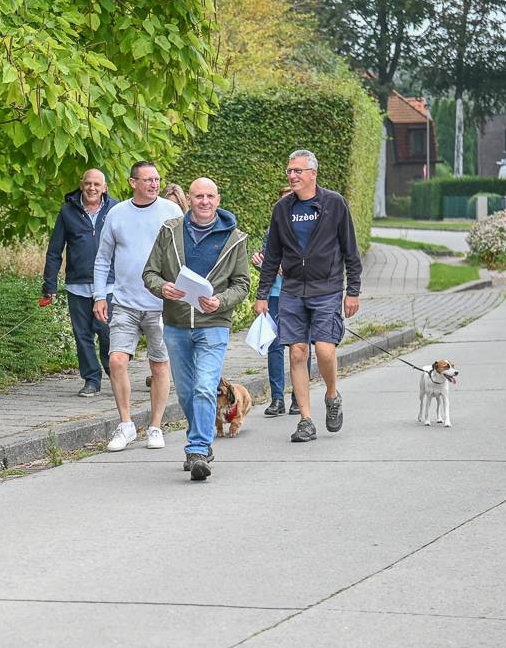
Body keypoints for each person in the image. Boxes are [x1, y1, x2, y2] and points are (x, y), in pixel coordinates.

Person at [141, 177, 250, 481]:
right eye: (198, 196)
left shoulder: (235, 238)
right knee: (188, 392)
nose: (204, 201)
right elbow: (149, 273)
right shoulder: (170, 231)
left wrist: (221, 301)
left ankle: (198, 449)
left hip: (214, 324)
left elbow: (242, 283)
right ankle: (200, 435)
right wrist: (163, 287)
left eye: (210, 196)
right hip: (176, 324)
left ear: (218, 199)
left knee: (205, 387)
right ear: (190, 199)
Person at [254, 149, 362, 443]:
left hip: (326, 289)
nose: (292, 176)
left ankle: (332, 395)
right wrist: (262, 294)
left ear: (313, 173)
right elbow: (272, 254)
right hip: (291, 291)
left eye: (297, 171)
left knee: (326, 350)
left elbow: (351, 251)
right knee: (297, 351)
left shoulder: (334, 204)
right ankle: (306, 419)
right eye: (289, 171)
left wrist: (352, 291)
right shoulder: (282, 209)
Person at [92, 161, 183, 451]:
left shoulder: (171, 212)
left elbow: (185, 252)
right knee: (117, 360)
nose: (154, 184)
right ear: (133, 183)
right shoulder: (117, 214)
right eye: (147, 180)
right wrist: (98, 295)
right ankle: (126, 424)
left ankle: (155, 426)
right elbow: (103, 258)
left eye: (157, 179)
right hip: (125, 303)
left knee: (159, 365)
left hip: (161, 304)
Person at [43, 169, 116, 397]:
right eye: (88, 184)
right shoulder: (67, 211)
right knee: (82, 335)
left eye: (97, 184)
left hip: (109, 285)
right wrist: (50, 286)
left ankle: (114, 372)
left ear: (104, 187)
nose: (92, 188)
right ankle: (91, 380)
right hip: (77, 284)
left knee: (106, 332)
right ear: (81, 184)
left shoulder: (116, 210)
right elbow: (55, 251)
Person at [250, 186, 308, 417]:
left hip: (300, 294)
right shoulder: (272, 230)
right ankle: (277, 398)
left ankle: (298, 397)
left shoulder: (309, 230)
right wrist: (259, 263)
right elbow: (267, 259)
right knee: (274, 346)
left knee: (300, 346)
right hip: (275, 295)